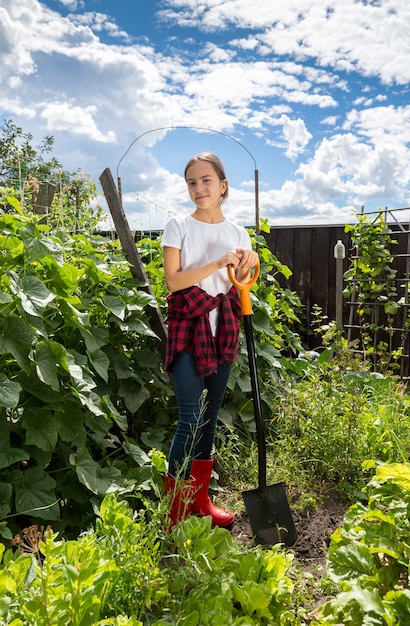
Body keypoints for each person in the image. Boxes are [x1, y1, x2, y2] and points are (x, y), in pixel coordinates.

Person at [161, 152, 259, 528]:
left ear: (222, 186)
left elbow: (243, 280)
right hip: (189, 325)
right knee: (191, 417)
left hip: (224, 328)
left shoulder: (237, 232)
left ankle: (200, 501)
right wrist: (219, 262)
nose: (198, 188)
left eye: (206, 180)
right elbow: (174, 280)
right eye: (191, 182)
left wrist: (247, 260)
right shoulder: (178, 226)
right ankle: (175, 511)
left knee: (211, 417)